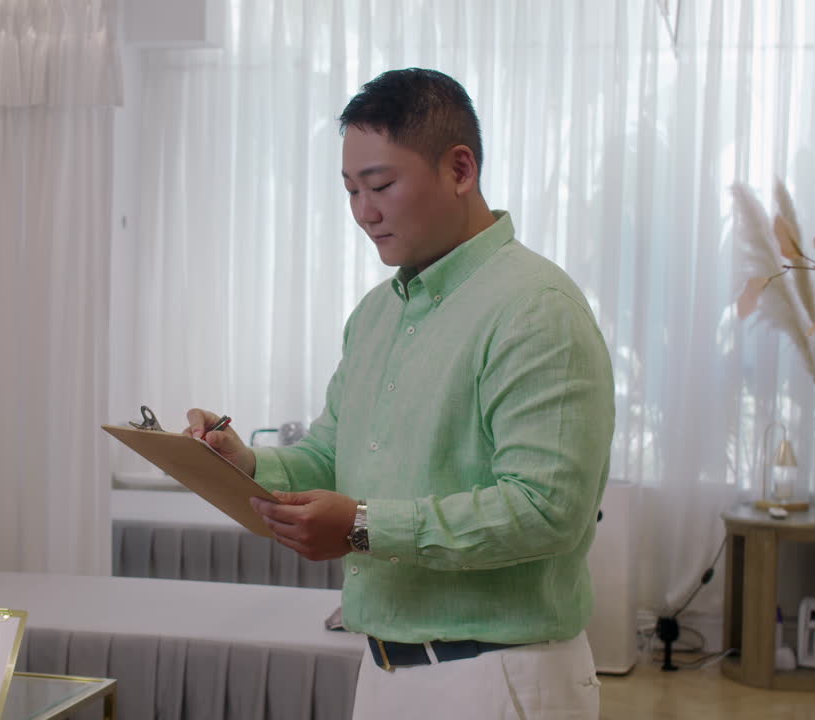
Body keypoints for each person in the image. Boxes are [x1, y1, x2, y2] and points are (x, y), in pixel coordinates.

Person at [185, 68, 614, 720]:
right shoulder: (376, 314)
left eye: (381, 185)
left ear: (460, 169)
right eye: (351, 190)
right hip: (383, 669)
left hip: (499, 675)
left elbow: (547, 509)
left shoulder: (535, 307)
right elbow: (330, 456)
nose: (364, 211)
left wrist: (360, 528)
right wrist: (244, 463)